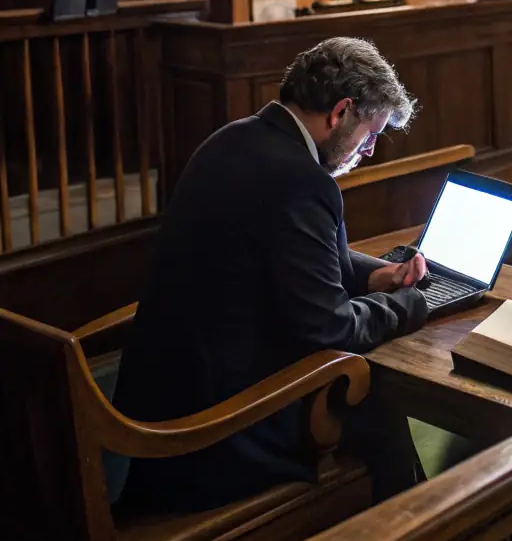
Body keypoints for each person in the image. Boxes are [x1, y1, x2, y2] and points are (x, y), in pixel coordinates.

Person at [112, 36, 429, 514]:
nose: (367, 152)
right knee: (374, 399)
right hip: (215, 434)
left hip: (165, 398)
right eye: (369, 136)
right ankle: (400, 539)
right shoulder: (302, 181)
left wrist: (379, 276)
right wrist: (411, 303)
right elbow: (330, 328)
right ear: (341, 112)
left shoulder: (232, 140)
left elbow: (298, 255)